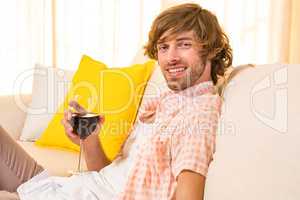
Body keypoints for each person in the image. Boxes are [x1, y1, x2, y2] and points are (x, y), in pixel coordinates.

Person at [0, 3, 232, 200]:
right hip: (69, 188)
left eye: (184, 44)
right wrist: (89, 139)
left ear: (210, 50)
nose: (171, 57)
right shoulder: (166, 101)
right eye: (163, 47)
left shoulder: (197, 115)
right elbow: (108, 176)